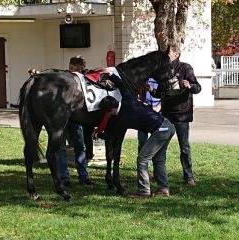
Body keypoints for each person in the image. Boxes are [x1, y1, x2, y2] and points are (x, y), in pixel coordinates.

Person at [96, 71, 175, 198]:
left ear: (111, 110)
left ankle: (143, 191)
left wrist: (96, 135)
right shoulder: (128, 99)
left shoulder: (122, 118)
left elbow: (110, 135)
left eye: (108, 113)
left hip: (160, 130)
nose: (108, 116)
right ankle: (163, 189)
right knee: (159, 160)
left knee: (142, 159)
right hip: (168, 126)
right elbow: (121, 85)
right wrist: (110, 74)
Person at [147, 45, 201, 185]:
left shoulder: (185, 68)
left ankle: (188, 176)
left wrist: (190, 85)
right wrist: (151, 90)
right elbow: (159, 93)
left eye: (169, 52)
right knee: (160, 145)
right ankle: (159, 175)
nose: (166, 54)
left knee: (184, 146)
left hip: (182, 114)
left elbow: (198, 87)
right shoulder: (164, 70)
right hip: (166, 114)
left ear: (176, 54)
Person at [58, 56, 94, 186]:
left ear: (82, 68)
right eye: (71, 67)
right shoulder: (63, 77)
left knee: (80, 146)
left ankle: (83, 176)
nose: (73, 71)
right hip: (62, 117)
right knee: (61, 147)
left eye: (76, 68)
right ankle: (64, 177)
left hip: (76, 118)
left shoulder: (86, 77)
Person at [137, 78, 162, 152]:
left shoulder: (161, 76)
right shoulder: (144, 76)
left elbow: (167, 95)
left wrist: (159, 107)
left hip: (158, 111)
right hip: (145, 110)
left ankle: (157, 162)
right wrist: (140, 102)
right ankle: (142, 162)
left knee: (158, 141)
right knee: (142, 140)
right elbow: (137, 92)